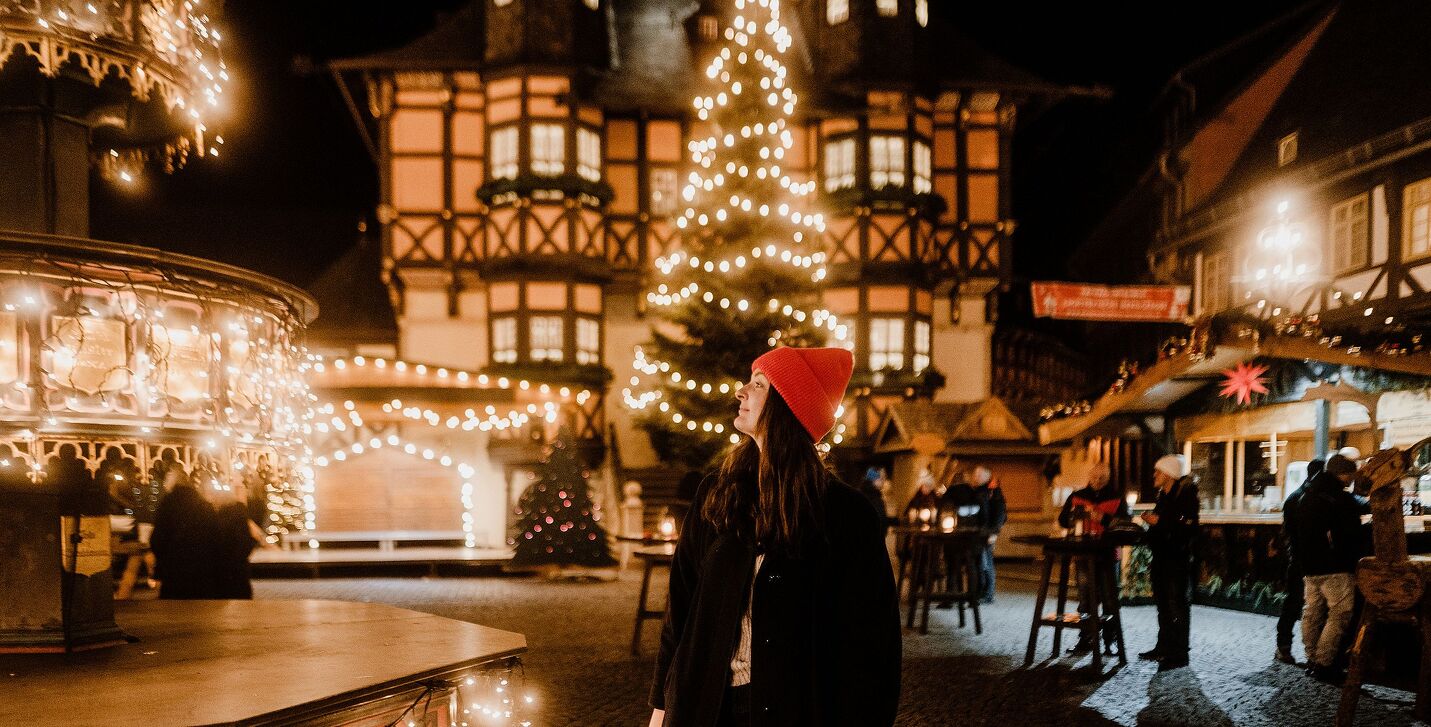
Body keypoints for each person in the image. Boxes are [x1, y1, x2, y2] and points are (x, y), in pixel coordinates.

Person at [648, 347, 900, 727]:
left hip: (800, 711)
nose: (741, 391)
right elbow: (681, 611)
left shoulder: (845, 514)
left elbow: (872, 644)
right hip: (706, 709)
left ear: (787, 405)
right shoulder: (717, 494)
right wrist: (660, 710)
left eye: (759, 384)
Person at [1290, 454, 1362, 683]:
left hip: (1310, 567)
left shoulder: (1307, 494)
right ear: (1343, 474)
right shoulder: (1337, 498)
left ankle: (1311, 658)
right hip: (1335, 566)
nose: (1352, 479)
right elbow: (1352, 529)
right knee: (1339, 614)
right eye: (1351, 474)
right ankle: (1324, 663)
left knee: (1312, 612)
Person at [1057, 462, 1130, 651]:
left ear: (1108, 478)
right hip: (1083, 554)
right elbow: (1063, 520)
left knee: (1109, 600)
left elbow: (1125, 523)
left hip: (1108, 554)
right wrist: (1076, 516)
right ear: (1089, 477)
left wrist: (1102, 518)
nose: (1098, 481)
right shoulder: (1077, 496)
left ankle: (1109, 640)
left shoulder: (1116, 497)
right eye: (1095, 477)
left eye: (1102, 478)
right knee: (1085, 600)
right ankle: (1086, 638)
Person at [1140, 454, 1199, 671]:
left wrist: (1160, 521)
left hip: (1176, 560)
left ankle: (1179, 653)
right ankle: (1163, 647)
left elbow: (1190, 526)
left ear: (1168, 474)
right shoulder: (1162, 495)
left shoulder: (1186, 494)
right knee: (1163, 606)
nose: (1154, 475)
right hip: (1161, 558)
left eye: (1157, 471)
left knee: (1177, 607)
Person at [1275, 458, 1323, 665]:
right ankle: (1291, 647)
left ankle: (1283, 647)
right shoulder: (1309, 499)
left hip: (1297, 558)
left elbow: (1287, 531)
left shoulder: (1294, 497)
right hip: (1306, 560)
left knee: (1293, 604)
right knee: (1301, 605)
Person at [149, 467, 218, 599]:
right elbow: (215, 536)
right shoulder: (202, 504)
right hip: (200, 570)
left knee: (175, 612)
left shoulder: (167, 505)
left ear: (172, 483)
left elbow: (157, 539)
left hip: (173, 570)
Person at [941, 465, 1006, 604]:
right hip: (978, 534)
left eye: (979, 475)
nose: (975, 477)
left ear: (986, 477)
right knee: (980, 563)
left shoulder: (992, 491)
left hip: (986, 534)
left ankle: (987, 594)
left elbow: (999, 513)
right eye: (975, 475)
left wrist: (993, 532)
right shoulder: (975, 491)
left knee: (985, 563)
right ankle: (977, 593)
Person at [213, 500, 266, 599]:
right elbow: (246, 545)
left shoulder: (216, 520)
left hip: (224, 573)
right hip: (239, 573)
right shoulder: (239, 517)